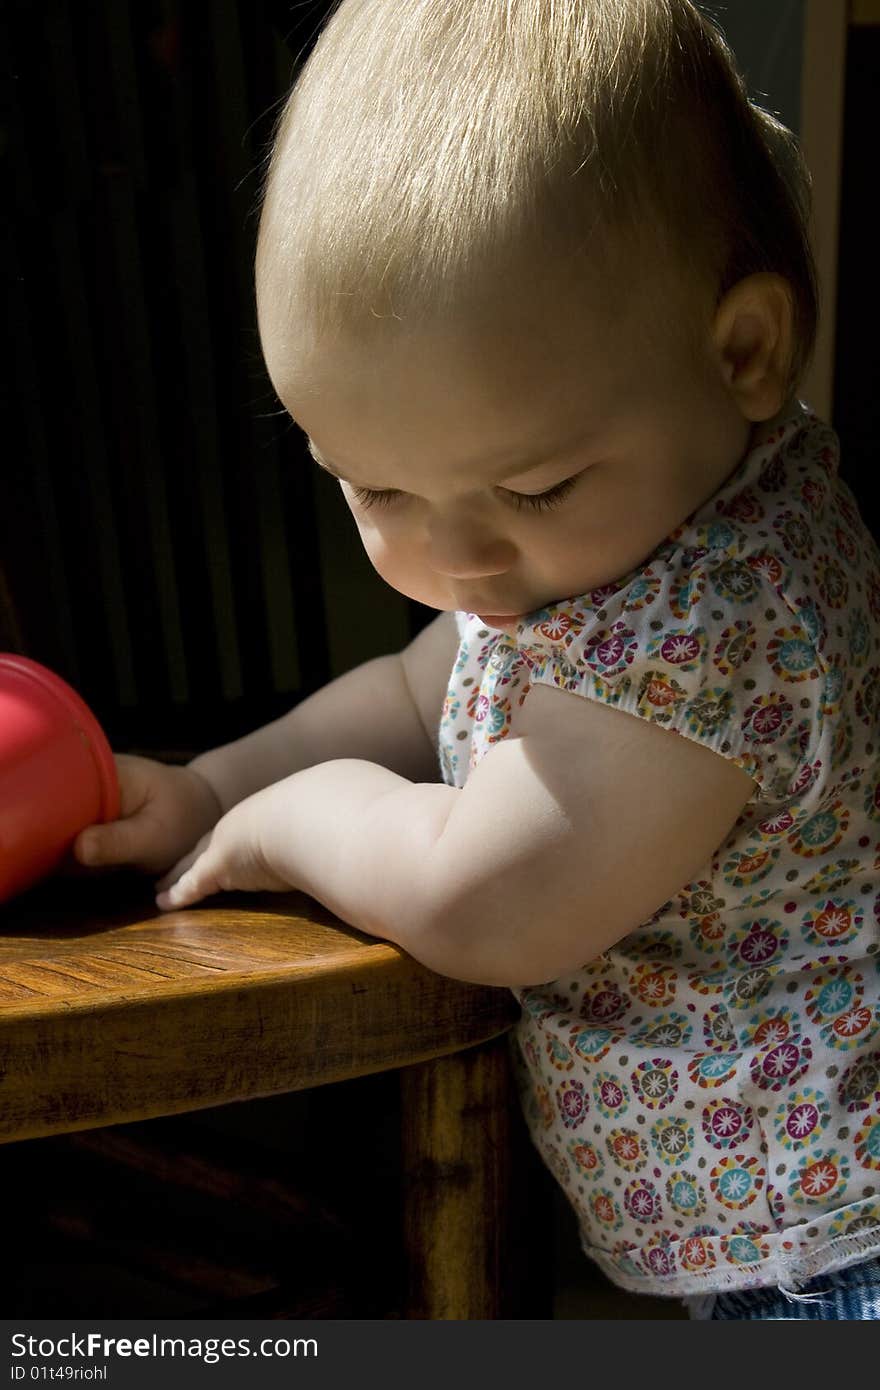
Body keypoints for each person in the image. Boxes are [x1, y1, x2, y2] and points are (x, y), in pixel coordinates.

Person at [73, 0, 880, 1319]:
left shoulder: (723, 615)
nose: (459, 565)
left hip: (836, 1259)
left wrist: (287, 821)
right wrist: (215, 781)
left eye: (537, 484)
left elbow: (481, 899)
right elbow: (415, 689)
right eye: (375, 491)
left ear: (742, 349)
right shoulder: (612, 538)